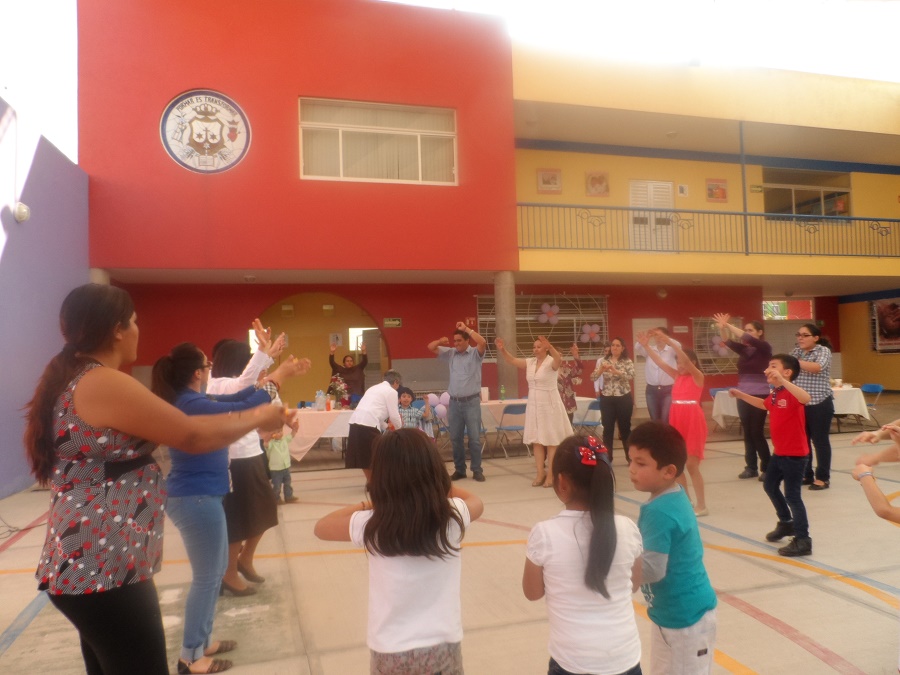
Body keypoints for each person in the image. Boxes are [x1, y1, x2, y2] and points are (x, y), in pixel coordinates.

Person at [23, 284, 293, 675]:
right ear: (117, 329)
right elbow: (191, 435)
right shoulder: (101, 381)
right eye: (133, 321)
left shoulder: (81, 379)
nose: (138, 329)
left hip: (97, 559)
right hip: (104, 561)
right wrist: (259, 417)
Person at [151, 341, 306, 673]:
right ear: (198, 373)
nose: (210, 371)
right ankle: (191, 656)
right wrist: (279, 376)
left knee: (215, 570)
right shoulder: (191, 403)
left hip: (204, 495)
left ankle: (202, 641)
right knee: (207, 578)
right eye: (207, 366)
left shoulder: (195, 399)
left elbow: (242, 396)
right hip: (195, 498)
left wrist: (274, 379)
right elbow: (245, 404)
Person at [314, 429, 484, 675]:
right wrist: (439, 487)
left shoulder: (373, 523)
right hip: (443, 648)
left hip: (390, 651)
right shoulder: (451, 516)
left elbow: (321, 527)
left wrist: (372, 503)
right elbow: (476, 502)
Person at [523, 435, 643, 675]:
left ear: (562, 483)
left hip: (572, 661)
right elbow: (635, 584)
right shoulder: (628, 528)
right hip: (624, 658)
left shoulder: (544, 534)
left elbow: (532, 593)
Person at [207, 330, 305, 596]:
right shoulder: (220, 384)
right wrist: (266, 355)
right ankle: (229, 574)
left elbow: (257, 388)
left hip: (250, 453)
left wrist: (268, 356)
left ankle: (245, 559)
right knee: (240, 518)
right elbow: (249, 382)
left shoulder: (236, 384)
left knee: (263, 510)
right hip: (236, 458)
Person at [628, 421, 717, 675]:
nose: (632, 469)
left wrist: (617, 570)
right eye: (630, 460)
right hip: (675, 614)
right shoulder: (674, 495)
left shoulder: (659, 511)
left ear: (668, 471)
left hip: (684, 621)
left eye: (641, 463)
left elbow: (653, 569)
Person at [730, 354, 813, 557]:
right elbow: (764, 405)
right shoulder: (776, 392)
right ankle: (786, 522)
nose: (767, 370)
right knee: (769, 485)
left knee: (792, 496)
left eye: (773, 366)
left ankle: (803, 540)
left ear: (787, 372)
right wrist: (741, 395)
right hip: (780, 453)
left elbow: (806, 398)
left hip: (795, 455)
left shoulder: (791, 391)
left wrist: (783, 381)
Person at [637, 331, 709, 516]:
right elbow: (660, 362)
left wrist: (670, 342)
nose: (680, 365)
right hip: (677, 421)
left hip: (693, 422)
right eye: (678, 362)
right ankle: (687, 501)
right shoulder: (677, 376)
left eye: (683, 362)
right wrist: (646, 346)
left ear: (693, 363)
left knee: (692, 465)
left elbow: (685, 360)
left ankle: (702, 505)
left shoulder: (697, 377)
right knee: (678, 465)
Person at [496, 335, 574, 487]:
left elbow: (558, 359)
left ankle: (551, 474)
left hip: (549, 404)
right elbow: (512, 360)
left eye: (539, 347)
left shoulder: (551, 361)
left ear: (545, 348)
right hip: (534, 404)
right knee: (537, 440)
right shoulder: (530, 362)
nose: (535, 349)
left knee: (551, 440)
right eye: (534, 347)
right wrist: (503, 350)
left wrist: (551, 347)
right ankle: (540, 473)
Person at [713, 313, 773, 481]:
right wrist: (723, 328)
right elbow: (727, 341)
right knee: (747, 432)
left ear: (760, 332)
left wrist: (729, 325)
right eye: (746, 330)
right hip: (743, 395)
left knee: (757, 432)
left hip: (760, 394)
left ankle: (767, 468)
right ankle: (751, 467)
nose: (747, 333)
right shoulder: (745, 350)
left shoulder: (764, 347)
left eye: (750, 330)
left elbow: (745, 337)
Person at [428, 322, 488, 482]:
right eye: (454, 341)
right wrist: (440, 341)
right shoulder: (451, 353)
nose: (456, 344)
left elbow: (482, 342)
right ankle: (460, 470)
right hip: (454, 403)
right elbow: (431, 347)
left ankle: (477, 470)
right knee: (455, 438)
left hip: (471, 402)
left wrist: (466, 329)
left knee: (474, 439)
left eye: (459, 340)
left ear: (467, 340)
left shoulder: (475, 353)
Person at [791, 323, 834, 490]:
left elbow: (817, 367)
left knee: (820, 441)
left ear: (816, 338)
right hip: (800, 404)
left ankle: (822, 477)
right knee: (803, 441)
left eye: (805, 335)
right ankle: (806, 474)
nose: (800, 338)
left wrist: (794, 362)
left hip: (819, 402)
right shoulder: (796, 352)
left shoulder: (823, 351)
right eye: (798, 334)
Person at [345, 370, 403, 482]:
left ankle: (371, 482)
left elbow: (373, 410)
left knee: (364, 457)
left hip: (355, 422)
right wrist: (400, 429)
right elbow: (394, 415)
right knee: (377, 455)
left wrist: (387, 426)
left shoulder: (373, 388)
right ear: (396, 382)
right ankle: (375, 483)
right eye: (398, 384)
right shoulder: (391, 392)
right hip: (368, 424)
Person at [592, 338, 635, 462]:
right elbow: (593, 377)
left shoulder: (627, 361)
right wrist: (601, 370)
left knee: (625, 428)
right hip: (607, 398)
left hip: (623, 397)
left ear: (622, 348)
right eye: (613, 345)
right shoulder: (603, 361)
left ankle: (630, 457)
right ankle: (607, 457)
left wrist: (616, 372)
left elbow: (631, 375)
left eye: (617, 345)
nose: (614, 348)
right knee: (608, 429)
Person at [633, 327, 679, 423]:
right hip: (651, 391)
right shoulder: (650, 349)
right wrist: (645, 338)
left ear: (666, 337)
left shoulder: (671, 350)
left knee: (665, 418)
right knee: (654, 419)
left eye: (660, 336)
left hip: (668, 390)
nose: (658, 338)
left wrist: (666, 339)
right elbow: (637, 347)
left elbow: (678, 345)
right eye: (656, 336)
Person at [263, 425, 299, 504]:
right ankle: (276, 499)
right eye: (277, 432)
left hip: (285, 467)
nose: (280, 433)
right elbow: (266, 444)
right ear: (272, 434)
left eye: (281, 431)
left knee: (288, 483)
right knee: (277, 485)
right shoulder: (271, 443)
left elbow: (291, 435)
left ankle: (289, 496)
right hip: (276, 469)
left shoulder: (284, 439)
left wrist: (294, 430)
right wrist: (267, 438)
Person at [330, 341, 368, 406]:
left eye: (351, 361)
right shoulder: (340, 369)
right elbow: (332, 363)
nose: (349, 362)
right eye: (347, 361)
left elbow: (364, 361)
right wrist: (332, 352)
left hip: (356, 397)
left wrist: (364, 351)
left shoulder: (357, 369)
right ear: (344, 363)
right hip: (344, 397)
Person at [557, 343, 584, 424]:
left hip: (568, 405)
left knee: (569, 429)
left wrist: (575, 355)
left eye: (561, 355)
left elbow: (579, 371)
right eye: (557, 355)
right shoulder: (548, 371)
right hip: (555, 406)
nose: (559, 357)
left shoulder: (567, 368)